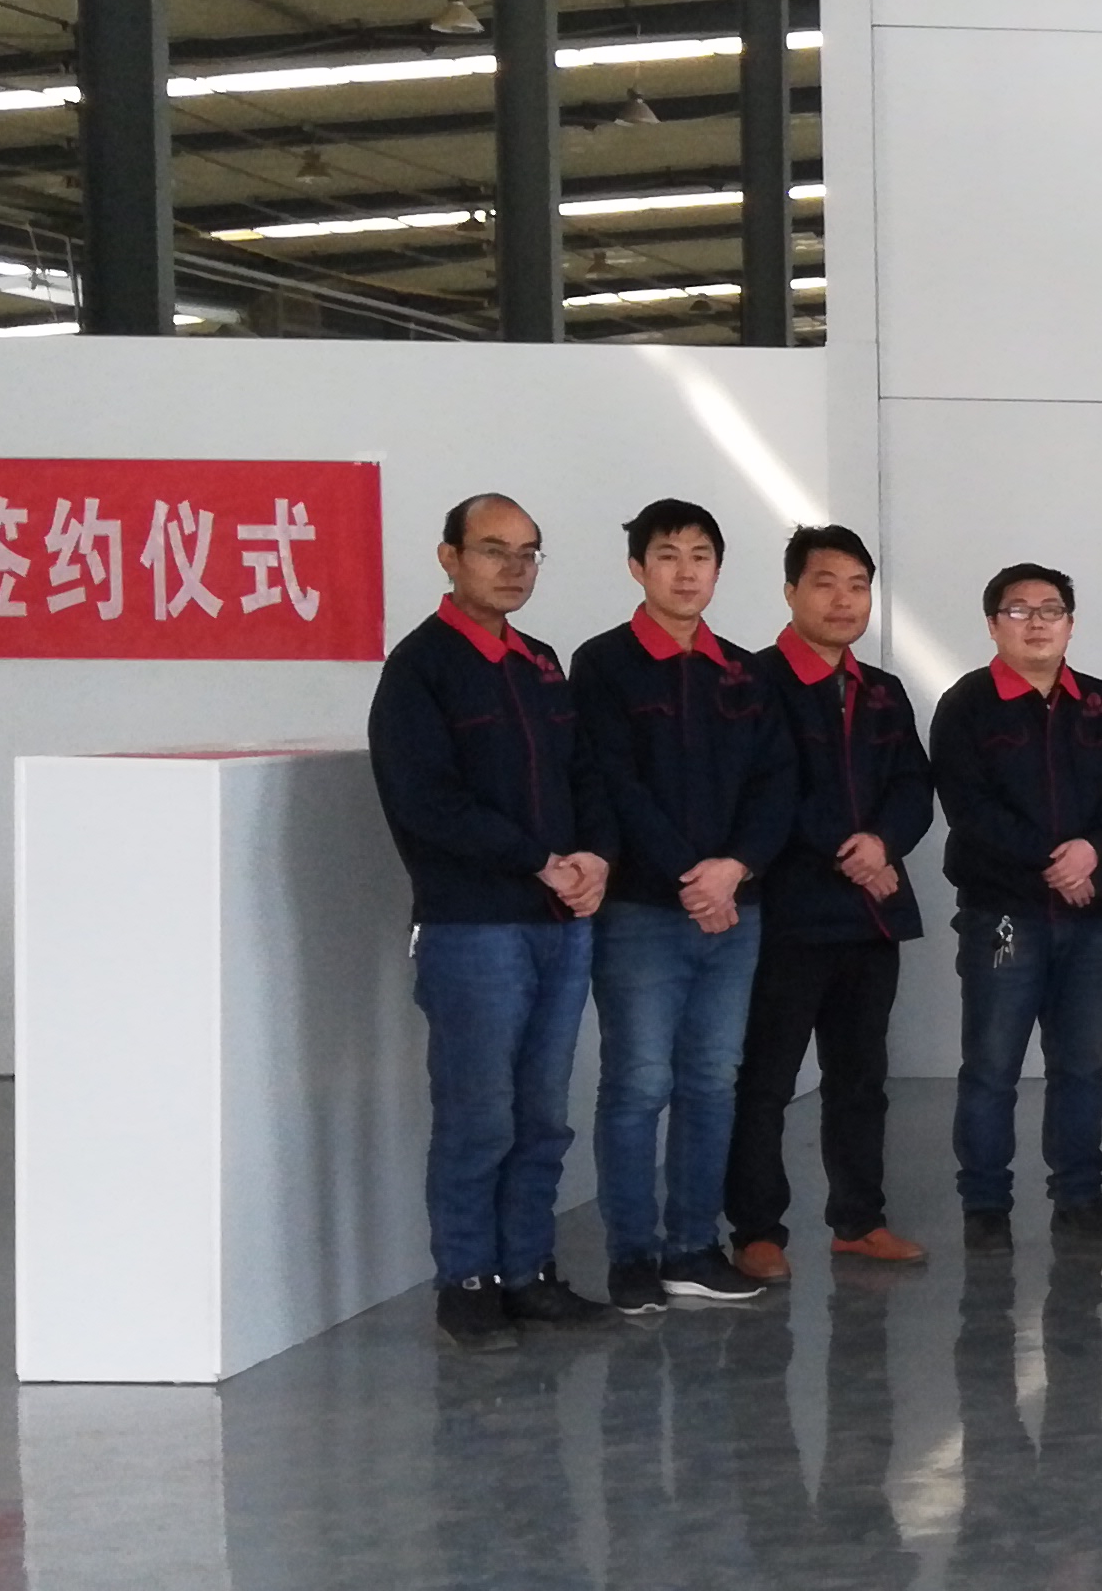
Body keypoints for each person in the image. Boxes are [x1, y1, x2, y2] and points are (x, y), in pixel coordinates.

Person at [370, 491, 610, 1344]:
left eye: (528, 552)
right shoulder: (419, 669)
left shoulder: (539, 663)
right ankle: (467, 1281)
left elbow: (584, 775)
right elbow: (426, 802)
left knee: (543, 1114)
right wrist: (538, 859)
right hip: (475, 927)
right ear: (449, 557)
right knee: (480, 1116)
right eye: (493, 549)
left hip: (560, 922)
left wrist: (594, 857)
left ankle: (528, 1271)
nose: (514, 568)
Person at [569, 500, 794, 1314]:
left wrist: (733, 870)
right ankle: (632, 1255)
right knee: (638, 1083)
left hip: (735, 911)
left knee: (712, 1081)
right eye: (667, 555)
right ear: (638, 568)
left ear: (719, 570)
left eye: (701, 555)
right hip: (642, 912)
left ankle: (694, 1247)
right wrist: (688, 879)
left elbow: (777, 784)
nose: (686, 571)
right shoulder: (603, 664)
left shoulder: (743, 672)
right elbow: (612, 785)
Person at [726, 523, 934, 1283]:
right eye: (825, 583)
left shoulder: (882, 689)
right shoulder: (751, 680)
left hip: (871, 916)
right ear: (790, 591)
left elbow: (913, 786)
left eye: (858, 586)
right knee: (768, 1080)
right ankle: (757, 1229)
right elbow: (769, 790)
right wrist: (855, 854)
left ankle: (860, 1220)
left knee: (861, 1079)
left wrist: (884, 843)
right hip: (789, 912)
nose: (844, 601)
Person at [925, 560, 1102, 1250]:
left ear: (1070, 624)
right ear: (994, 625)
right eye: (1019, 610)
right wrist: (1058, 862)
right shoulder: (966, 705)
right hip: (1004, 915)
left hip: (1090, 919)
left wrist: (1094, 850)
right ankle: (985, 1206)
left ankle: (1079, 1199)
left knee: (1081, 1066)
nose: (1037, 622)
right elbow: (970, 808)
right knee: (992, 1066)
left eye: (1051, 610)